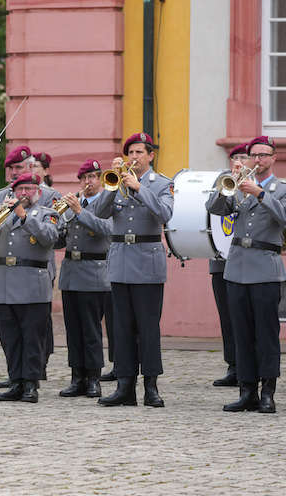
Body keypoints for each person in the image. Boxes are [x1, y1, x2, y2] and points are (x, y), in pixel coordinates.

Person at [206, 135, 286, 413]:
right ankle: (247, 390)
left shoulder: (284, 188)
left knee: (266, 333)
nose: (257, 160)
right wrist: (225, 188)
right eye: (253, 155)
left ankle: (268, 392)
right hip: (237, 266)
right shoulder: (239, 185)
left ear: (273, 158)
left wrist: (258, 192)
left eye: (263, 155)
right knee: (240, 333)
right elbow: (214, 209)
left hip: (266, 268)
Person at [97, 132, 173, 408]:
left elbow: (165, 214)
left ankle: (151, 386)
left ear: (151, 156)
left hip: (147, 261)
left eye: (140, 153)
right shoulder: (117, 181)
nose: (134, 158)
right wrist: (111, 187)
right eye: (131, 153)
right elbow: (99, 213)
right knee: (122, 328)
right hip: (120, 261)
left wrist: (140, 188)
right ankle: (124, 386)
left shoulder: (161, 184)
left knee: (148, 327)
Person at [0, 173, 60, 404]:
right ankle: (16, 381)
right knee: (9, 338)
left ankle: (31, 384)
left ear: (38, 192)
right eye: (20, 189)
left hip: (33, 285)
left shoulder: (47, 214)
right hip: (3, 283)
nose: (24, 193)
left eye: (29, 189)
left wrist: (24, 217)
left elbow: (50, 238)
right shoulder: (1, 216)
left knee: (32, 337)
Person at [56, 159, 112, 399]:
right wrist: (53, 219)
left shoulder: (106, 202)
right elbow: (59, 241)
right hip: (70, 271)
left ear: (100, 180)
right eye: (84, 178)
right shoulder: (70, 205)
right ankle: (76, 377)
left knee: (90, 329)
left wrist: (79, 211)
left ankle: (93, 378)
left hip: (93, 271)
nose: (88, 182)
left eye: (92, 177)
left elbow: (106, 230)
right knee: (73, 329)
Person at [210, 142, 249, 388]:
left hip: (247, 260)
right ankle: (233, 365)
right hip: (221, 261)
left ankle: (249, 366)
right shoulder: (223, 184)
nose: (238, 161)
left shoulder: (255, 186)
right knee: (227, 317)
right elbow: (212, 212)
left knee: (246, 317)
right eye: (235, 157)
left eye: (243, 157)